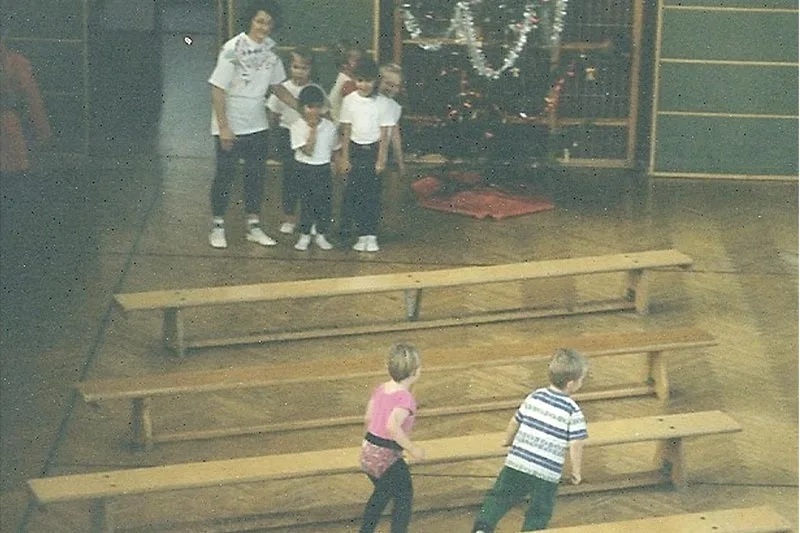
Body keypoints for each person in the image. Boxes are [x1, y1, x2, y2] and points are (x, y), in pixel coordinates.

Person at [207, 0, 297, 249]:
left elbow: (278, 88)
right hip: (231, 122)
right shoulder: (232, 49)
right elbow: (217, 89)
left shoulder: (271, 52)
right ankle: (217, 226)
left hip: (257, 123)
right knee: (225, 175)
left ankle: (253, 226)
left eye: (268, 22)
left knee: (256, 176)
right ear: (250, 21)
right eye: (259, 21)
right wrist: (224, 127)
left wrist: (303, 109)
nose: (264, 27)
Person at [472, 348, 589, 533]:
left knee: (499, 497)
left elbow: (515, 421)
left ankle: (483, 528)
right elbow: (576, 444)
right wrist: (576, 471)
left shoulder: (534, 396)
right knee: (539, 512)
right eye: (582, 380)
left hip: (517, 463)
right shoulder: (573, 410)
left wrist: (507, 440)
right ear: (571, 383)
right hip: (546, 473)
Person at [358, 342, 425, 533]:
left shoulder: (381, 389)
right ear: (414, 372)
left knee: (383, 494)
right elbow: (392, 427)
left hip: (368, 451)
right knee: (404, 497)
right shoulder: (405, 398)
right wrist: (413, 450)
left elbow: (368, 417)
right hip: (386, 455)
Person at [338, 58, 393, 252]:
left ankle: (371, 234)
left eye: (368, 81)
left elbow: (385, 132)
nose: (364, 85)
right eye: (360, 80)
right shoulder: (349, 101)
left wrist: (381, 158)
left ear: (376, 81)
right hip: (355, 151)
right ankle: (361, 234)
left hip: (373, 151)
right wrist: (345, 157)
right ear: (354, 80)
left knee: (372, 195)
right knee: (355, 193)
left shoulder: (383, 103)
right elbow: (346, 130)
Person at [266, 47, 317, 236]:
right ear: (289, 67)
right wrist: (272, 141)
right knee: (290, 179)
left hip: (308, 137)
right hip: (286, 136)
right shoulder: (282, 89)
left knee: (308, 180)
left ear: (310, 69)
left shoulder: (314, 90)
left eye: (304, 68)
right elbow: (273, 115)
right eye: (296, 67)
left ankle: (308, 219)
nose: (299, 71)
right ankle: (289, 217)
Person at [289, 85, 339, 251]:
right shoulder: (296, 126)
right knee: (306, 202)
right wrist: (312, 130)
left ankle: (321, 233)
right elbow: (308, 151)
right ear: (302, 107)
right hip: (304, 167)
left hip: (323, 168)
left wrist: (335, 165)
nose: (314, 111)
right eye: (310, 107)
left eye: (318, 106)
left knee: (324, 202)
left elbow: (334, 148)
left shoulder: (329, 126)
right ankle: (304, 234)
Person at [0, 37, 52, 179]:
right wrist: (42, 131)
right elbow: (32, 99)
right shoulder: (16, 64)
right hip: (10, 129)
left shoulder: (16, 64)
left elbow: (32, 99)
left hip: (10, 128)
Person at [377, 63, 405, 177]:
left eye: (396, 85)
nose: (392, 89)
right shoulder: (370, 101)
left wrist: (400, 163)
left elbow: (395, 136)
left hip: (383, 155)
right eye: (388, 84)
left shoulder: (394, 107)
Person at [327, 40, 363, 124]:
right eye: (357, 61)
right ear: (344, 64)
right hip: (338, 126)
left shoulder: (342, 77)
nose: (361, 63)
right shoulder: (347, 83)